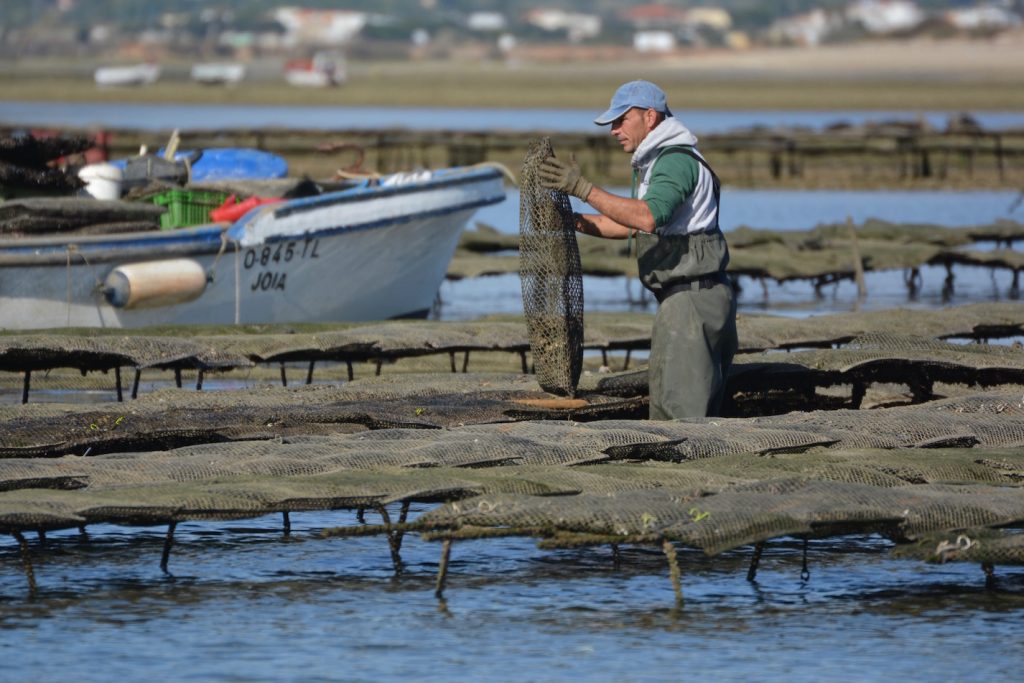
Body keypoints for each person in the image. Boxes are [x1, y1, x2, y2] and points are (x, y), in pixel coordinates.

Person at [538, 80, 737, 419]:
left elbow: (646, 217)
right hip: (683, 302)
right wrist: (573, 221)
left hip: (692, 306)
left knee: (682, 420)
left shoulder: (675, 161)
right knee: (667, 407)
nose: (614, 130)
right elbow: (630, 223)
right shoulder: (661, 159)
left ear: (650, 116)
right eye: (611, 123)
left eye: (621, 120)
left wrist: (581, 188)